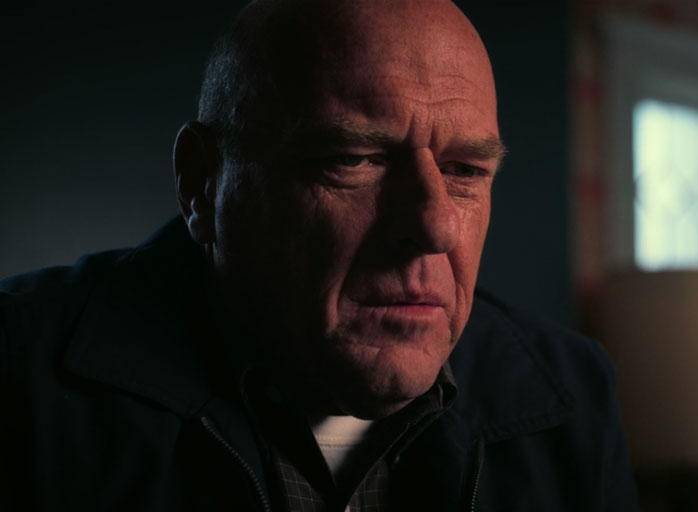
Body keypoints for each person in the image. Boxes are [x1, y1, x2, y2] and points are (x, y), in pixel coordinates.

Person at [0, 1, 639, 510]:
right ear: (202, 183)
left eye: (466, 170)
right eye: (353, 160)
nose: (436, 227)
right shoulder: (18, 375)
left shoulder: (570, 395)